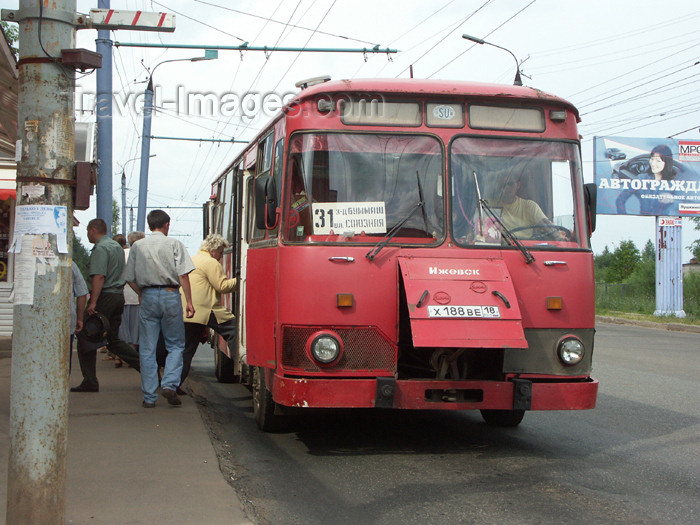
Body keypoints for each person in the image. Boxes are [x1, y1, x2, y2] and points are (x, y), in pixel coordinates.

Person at [125, 210, 195, 409]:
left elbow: (128, 277)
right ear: (167, 225)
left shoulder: (137, 246)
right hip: (170, 294)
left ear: (149, 226)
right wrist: (189, 302)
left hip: (148, 295)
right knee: (175, 344)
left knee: (147, 348)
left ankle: (149, 397)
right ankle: (170, 384)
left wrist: (141, 292)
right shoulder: (174, 244)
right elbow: (183, 275)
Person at [72, 219, 141, 392]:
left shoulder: (101, 249)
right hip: (118, 296)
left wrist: (93, 302)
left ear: (93, 230)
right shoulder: (116, 247)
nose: (87, 235)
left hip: (105, 298)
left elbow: (99, 277)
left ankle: (90, 381)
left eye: (88, 231)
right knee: (113, 339)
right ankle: (148, 369)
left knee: (85, 336)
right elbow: (123, 274)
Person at [178, 234, 237, 393]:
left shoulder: (192, 258)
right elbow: (222, 286)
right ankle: (240, 363)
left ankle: (174, 385)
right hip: (205, 309)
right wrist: (241, 279)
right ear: (213, 250)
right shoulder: (210, 262)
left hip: (187, 311)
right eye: (220, 253)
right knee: (234, 331)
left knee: (187, 350)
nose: (220, 257)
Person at [119, 231, 145, 359]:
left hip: (123, 294)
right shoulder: (142, 254)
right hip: (138, 296)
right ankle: (134, 354)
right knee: (137, 328)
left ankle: (121, 355)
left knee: (124, 328)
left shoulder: (122, 253)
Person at [70, 261, 89, 373]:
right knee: (64, 358)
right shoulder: (70, 264)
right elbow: (82, 294)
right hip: (66, 319)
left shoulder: (29, 261)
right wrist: (79, 318)